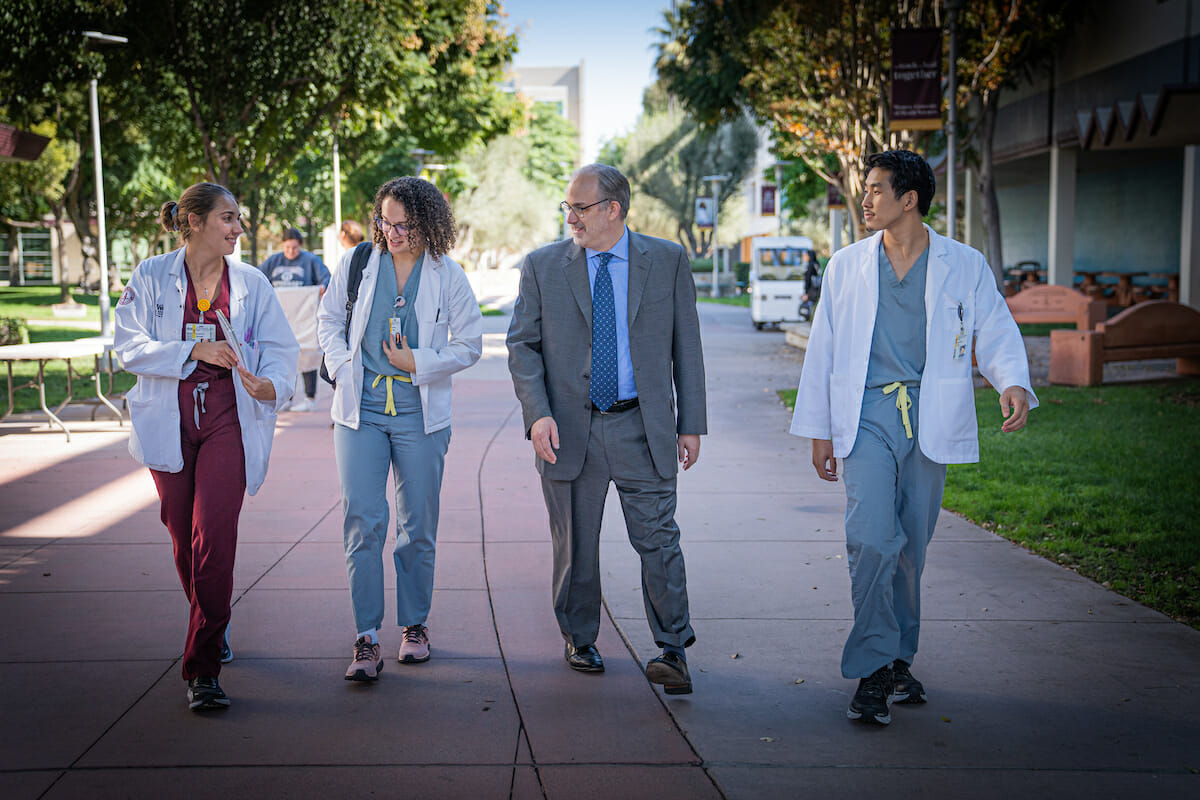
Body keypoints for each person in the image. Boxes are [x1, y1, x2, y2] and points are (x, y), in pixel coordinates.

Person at [790, 150, 1037, 726]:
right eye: (866, 188)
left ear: (910, 200)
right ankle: (873, 669)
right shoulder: (847, 265)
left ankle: (900, 658)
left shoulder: (964, 263)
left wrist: (1013, 382)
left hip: (933, 413)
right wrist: (818, 429)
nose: (866, 199)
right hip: (868, 413)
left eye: (877, 190)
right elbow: (823, 349)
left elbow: (995, 326)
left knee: (909, 549)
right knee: (872, 538)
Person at [506, 163, 707, 695]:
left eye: (580, 207)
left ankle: (672, 648)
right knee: (576, 544)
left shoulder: (665, 260)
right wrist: (537, 414)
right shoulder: (543, 266)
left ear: (613, 210)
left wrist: (691, 423)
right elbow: (521, 346)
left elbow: (686, 344)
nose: (569, 216)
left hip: (644, 427)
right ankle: (580, 637)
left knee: (659, 540)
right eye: (566, 206)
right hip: (569, 431)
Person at [114, 182, 299, 711]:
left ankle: (203, 668)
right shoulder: (151, 277)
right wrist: (194, 348)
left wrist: (274, 385)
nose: (239, 228)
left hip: (228, 419)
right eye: (228, 218)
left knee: (214, 536)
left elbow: (282, 349)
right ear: (194, 221)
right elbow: (128, 345)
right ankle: (212, 620)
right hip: (169, 417)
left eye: (239, 219)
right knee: (182, 538)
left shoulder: (252, 283)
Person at [317, 177, 483, 682]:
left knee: (417, 526)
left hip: (419, 414)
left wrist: (421, 361)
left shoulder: (447, 275)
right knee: (362, 521)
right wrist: (344, 364)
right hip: (360, 412)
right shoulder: (358, 264)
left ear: (429, 224)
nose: (392, 233)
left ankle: (414, 626)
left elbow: (471, 342)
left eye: (404, 225)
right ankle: (366, 636)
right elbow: (327, 321)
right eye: (386, 221)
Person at [258, 227, 330, 412]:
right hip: (281, 319)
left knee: (307, 354)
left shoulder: (310, 260)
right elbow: (258, 278)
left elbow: (326, 278)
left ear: (300, 246)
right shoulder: (274, 261)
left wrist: (322, 287)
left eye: (295, 248)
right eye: (288, 248)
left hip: (304, 318)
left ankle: (309, 397)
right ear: (282, 245)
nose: (291, 252)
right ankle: (287, 398)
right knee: (284, 357)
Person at [798, 248, 821, 321]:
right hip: (816, 290)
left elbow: (808, 280)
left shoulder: (810, 265)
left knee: (809, 307)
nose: (805, 257)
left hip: (811, 291)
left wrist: (806, 293)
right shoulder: (816, 264)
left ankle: (812, 320)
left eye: (806, 255)